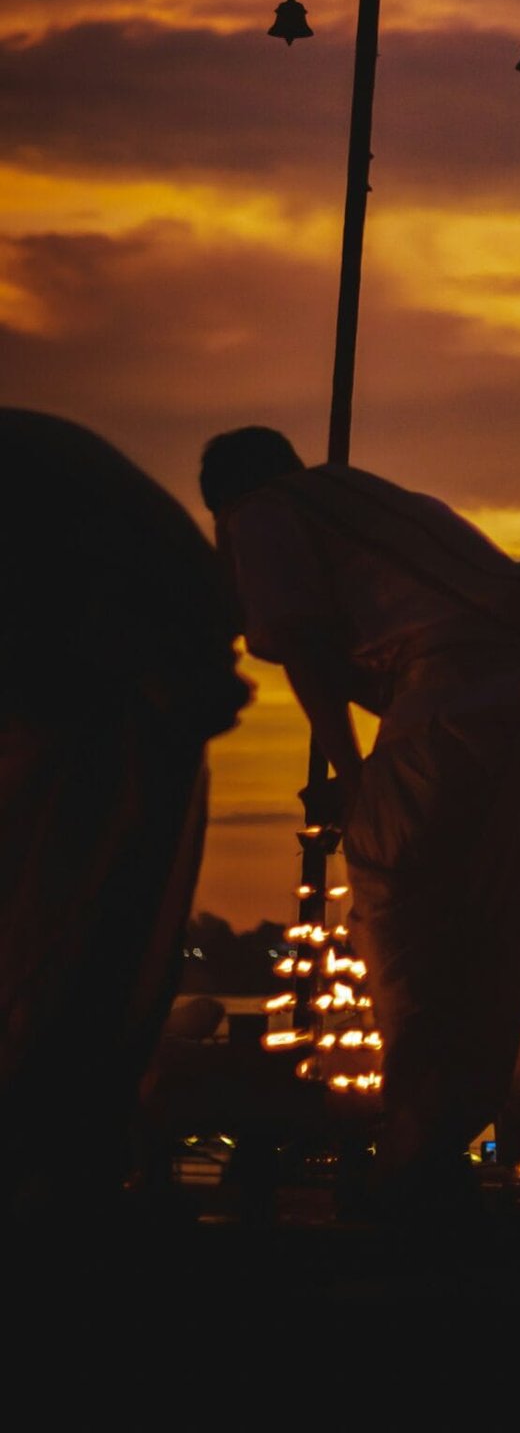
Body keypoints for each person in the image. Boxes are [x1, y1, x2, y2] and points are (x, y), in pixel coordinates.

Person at [200, 426, 520, 1209]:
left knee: (404, 915)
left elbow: (301, 645)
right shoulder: (385, 507)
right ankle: (444, 1144)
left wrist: (358, 776)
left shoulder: (259, 513)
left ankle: (414, 1156)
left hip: (456, 709)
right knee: (491, 943)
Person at [1, 410, 248, 1219]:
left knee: (65, 924)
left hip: (105, 678)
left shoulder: (40, 484)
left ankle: (49, 1153)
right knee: (102, 926)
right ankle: (68, 1152)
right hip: (133, 675)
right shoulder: (54, 460)